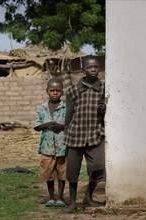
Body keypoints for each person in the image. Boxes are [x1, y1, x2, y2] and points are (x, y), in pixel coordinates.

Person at [63, 55, 106, 213]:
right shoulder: (73, 91)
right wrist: (66, 133)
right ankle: (73, 202)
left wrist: (104, 111)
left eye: (96, 66)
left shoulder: (103, 89)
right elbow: (69, 114)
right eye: (89, 67)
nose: (93, 69)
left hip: (95, 134)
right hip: (75, 135)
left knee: (98, 166)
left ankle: (88, 195)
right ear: (83, 69)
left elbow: (109, 111)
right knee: (72, 170)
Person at [34, 77, 66, 208]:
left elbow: (72, 123)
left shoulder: (66, 107)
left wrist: (61, 126)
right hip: (47, 147)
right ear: (47, 91)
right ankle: (51, 197)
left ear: (62, 92)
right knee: (49, 172)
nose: (55, 93)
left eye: (58, 90)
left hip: (63, 146)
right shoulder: (42, 108)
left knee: (62, 172)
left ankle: (60, 197)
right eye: (52, 90)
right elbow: (36, 126)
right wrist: (46, 124)